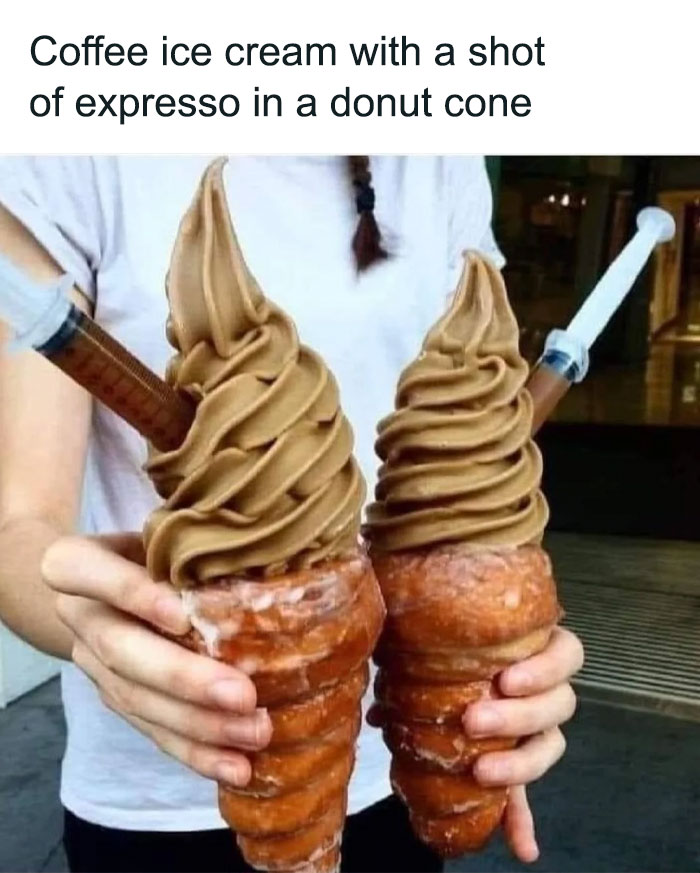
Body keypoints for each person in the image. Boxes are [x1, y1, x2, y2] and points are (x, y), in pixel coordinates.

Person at [0, 156, 583, 873]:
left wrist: (488, 664)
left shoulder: (439, 149)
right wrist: (95, 625)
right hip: (163, 788)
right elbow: (18, 525)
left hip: (399, 761)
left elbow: (466, 427)